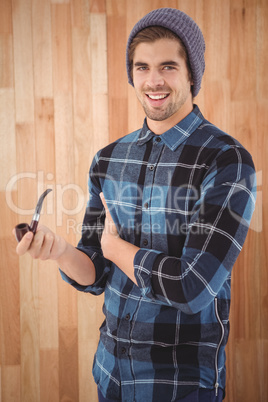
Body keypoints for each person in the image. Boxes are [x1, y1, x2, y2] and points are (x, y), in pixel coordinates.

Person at [15, 8, 256, 402]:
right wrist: (59, 251)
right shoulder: (108, 159)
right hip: (110, 376)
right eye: (141, 68)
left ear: (192, 74)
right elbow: (96, 271)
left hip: (179, 387)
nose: (153, 80)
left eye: (168, 66)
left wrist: (118, 249)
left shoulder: (226, 160)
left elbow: (192, 288)